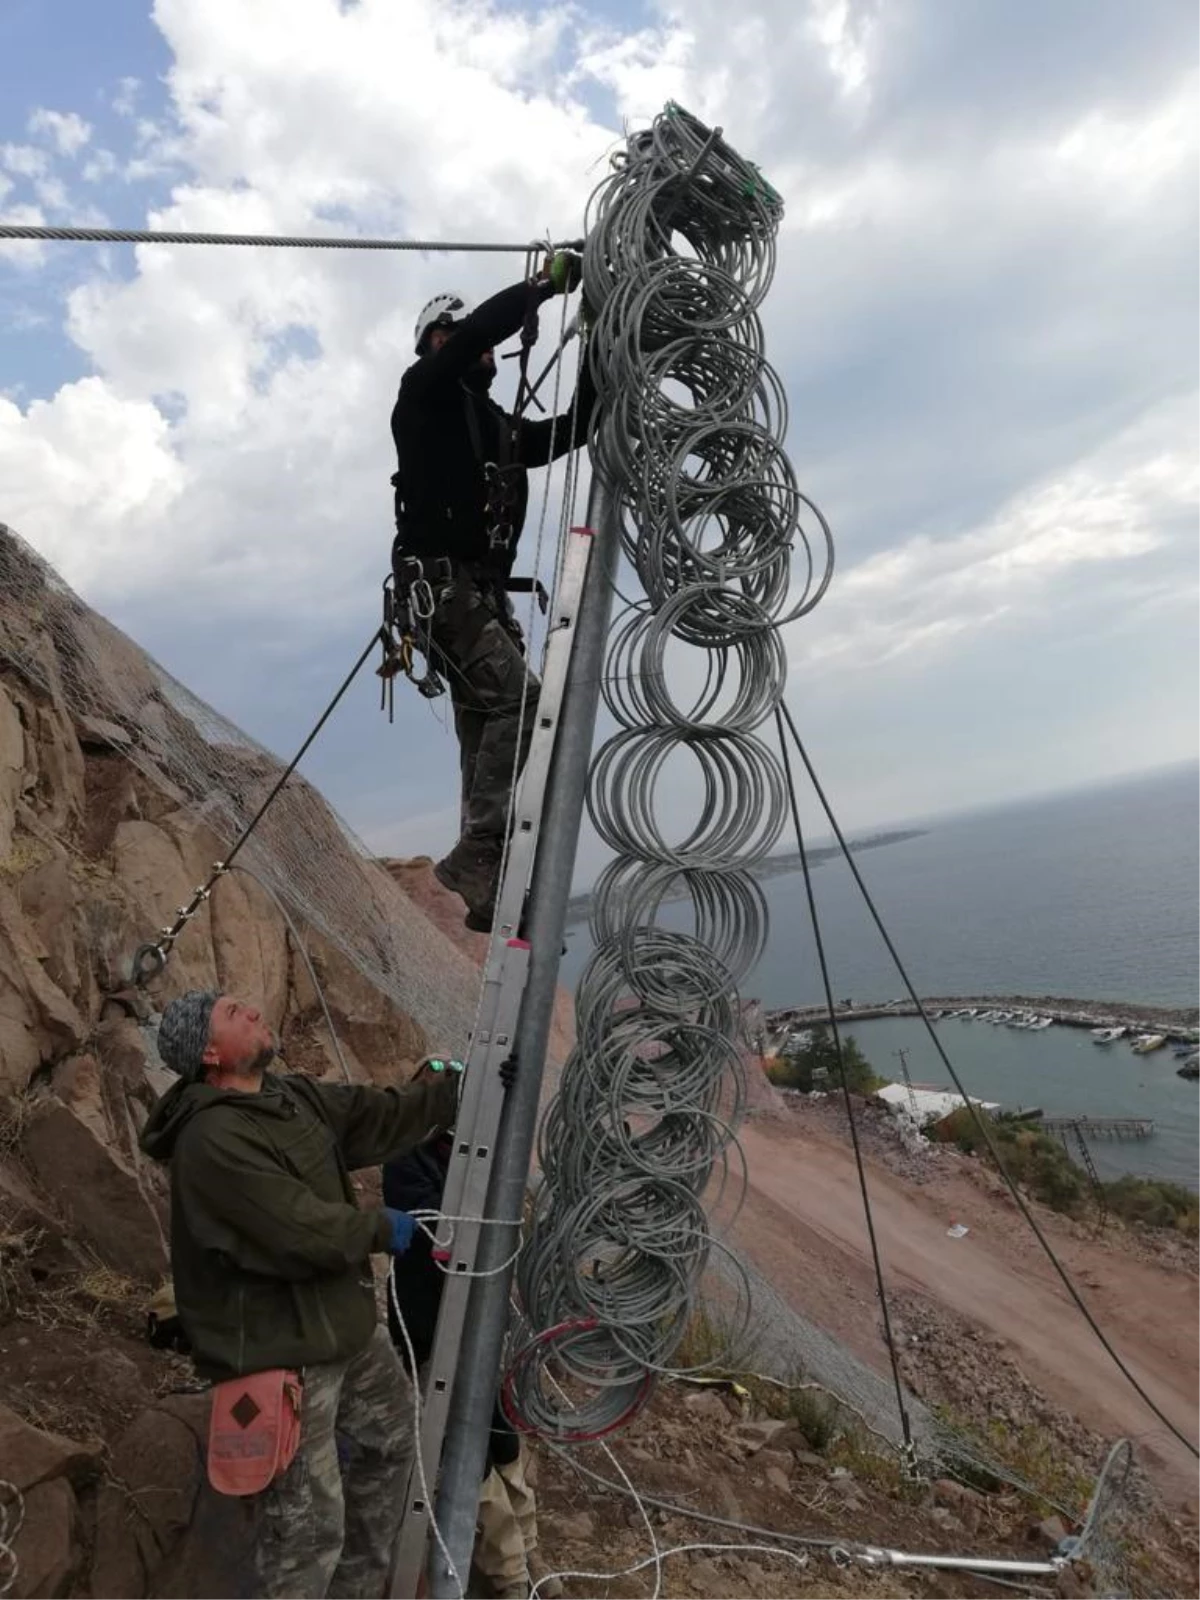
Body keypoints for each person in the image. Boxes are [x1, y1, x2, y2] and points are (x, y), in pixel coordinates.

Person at [140, 990, 462, 1600]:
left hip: (342, 1329)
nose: (255, 1012)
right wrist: (377, 1226)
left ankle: (359, 1591)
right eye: (235, 1015)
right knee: (306, 1533)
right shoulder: (210, 1140)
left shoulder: (286, 1096)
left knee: (396, 1447)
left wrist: (448, 1090)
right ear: (209, 1054)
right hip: (280, 1355)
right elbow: (295, 1227)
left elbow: (372, 1115)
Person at [390, 250, 593, 932]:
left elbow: (574, 428)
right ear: (438, 343)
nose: (483, 352)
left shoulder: (495, 427)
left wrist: (597, 335)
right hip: (443, 590)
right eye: (458, 337)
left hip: (471, 594)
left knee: (487, 724)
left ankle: (489, 880)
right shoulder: (421, 396)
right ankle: (481, 850)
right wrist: (542, 288)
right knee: (523, 703)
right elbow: (481, 332)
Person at [383, 1108, 563, 1600]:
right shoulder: (408, 1161)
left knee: (504, 1444)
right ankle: (510, 1579)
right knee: (468, 1456)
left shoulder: (481, 1160)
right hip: (430, 1339)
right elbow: (445, 1230)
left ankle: (531, 1553)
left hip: (479, 1338)